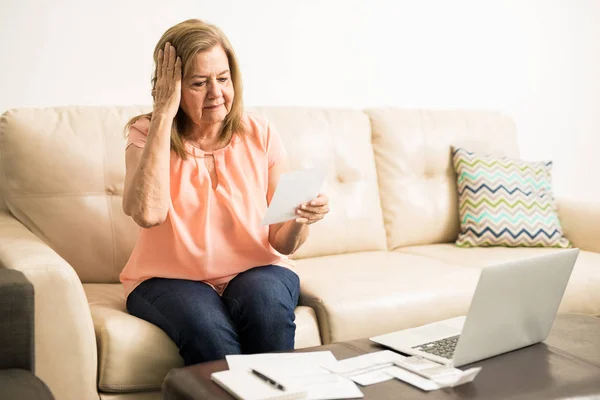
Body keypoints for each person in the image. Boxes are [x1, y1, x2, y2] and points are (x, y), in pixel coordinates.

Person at [120, 19, 330, 365]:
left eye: (223, 78)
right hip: (169, 278)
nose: (216, 94)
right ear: (169, 86)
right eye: (199, 83)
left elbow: (282, 243)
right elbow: (148, 213)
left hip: (258, 268)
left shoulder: (259, 132)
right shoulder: (146, 133)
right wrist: (162, 114)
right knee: (207, 329)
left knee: (266, 307)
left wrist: (300, 218)